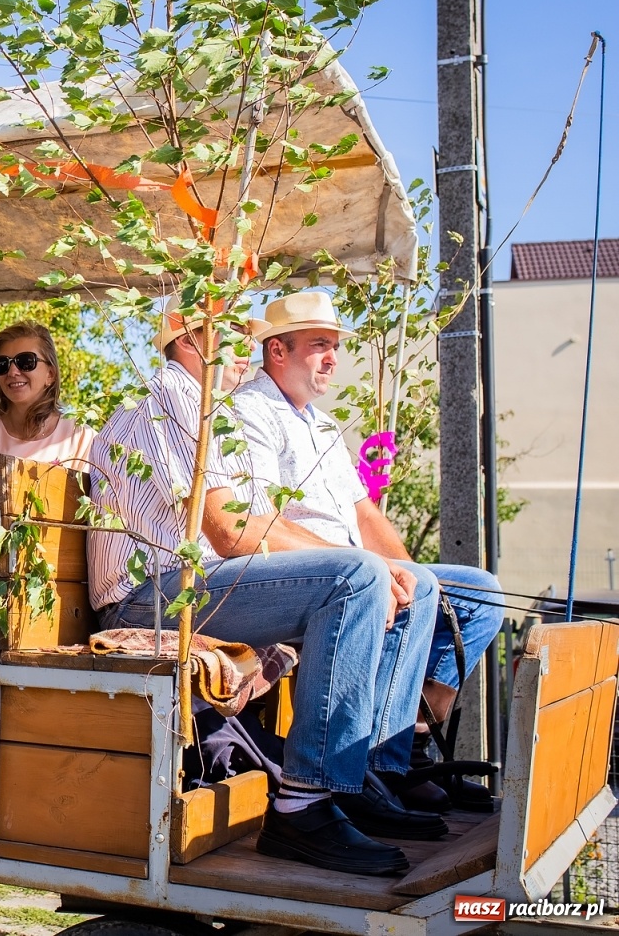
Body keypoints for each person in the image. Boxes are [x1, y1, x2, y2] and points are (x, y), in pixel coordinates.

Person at [88, 306, 442, 877]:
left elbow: (251, 527)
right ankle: (304, 805)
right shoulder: (176, 396)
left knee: (373, 576)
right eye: (231, 337)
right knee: (354, 579)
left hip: (184, 588)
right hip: (146, 601)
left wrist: (375, 564)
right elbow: (230, 532)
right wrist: (367, 565)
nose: (245, 351)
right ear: (190, 340)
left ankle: (353, 779)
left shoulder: (202, 403)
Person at [232, 291, 505, 812]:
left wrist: (409, 571)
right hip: (303, 578)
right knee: (398, 587)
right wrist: (382, 573)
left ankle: (410, 739)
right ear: (278, 350)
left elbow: (365, 515)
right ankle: (376, 770)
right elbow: (260, 522)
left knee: (478, 594)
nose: (333, 358)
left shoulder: (322, 425)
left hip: (359, 569)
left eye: (335, 346)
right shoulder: (251, 412)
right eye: (320, 345)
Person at [0, 321, 94, 469]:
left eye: (26, 361)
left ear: (50, 374)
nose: (12, 372)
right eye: (2, 364)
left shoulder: (79, 438)